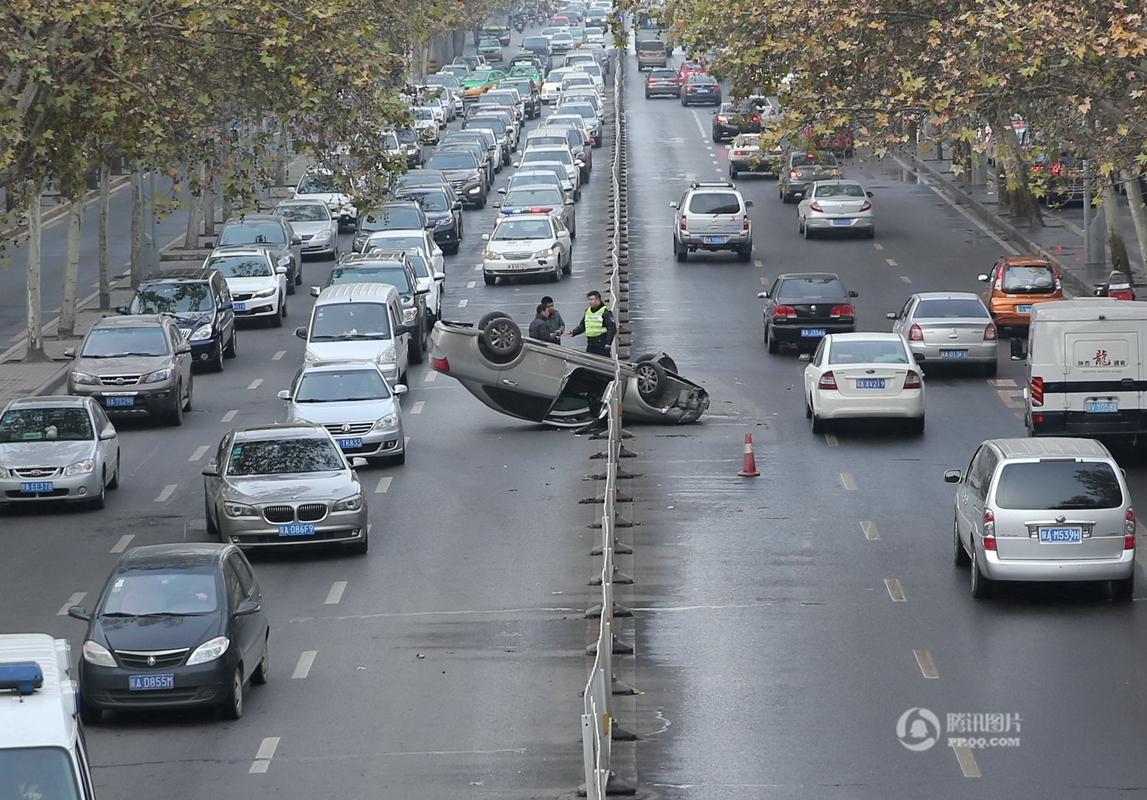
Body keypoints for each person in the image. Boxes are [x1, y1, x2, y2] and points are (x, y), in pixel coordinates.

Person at [566, 290, 616, 356]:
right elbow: (582, 325)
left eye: (592, 300)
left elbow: (611, 328)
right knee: (590, 364)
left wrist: (608, 344)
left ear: (598, 300)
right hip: (590, 344)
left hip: (601, 344)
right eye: (589, 300)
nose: (589, 302)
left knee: (602, 364)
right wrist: (573, 332)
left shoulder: (605, 312)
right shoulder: (588, 311)